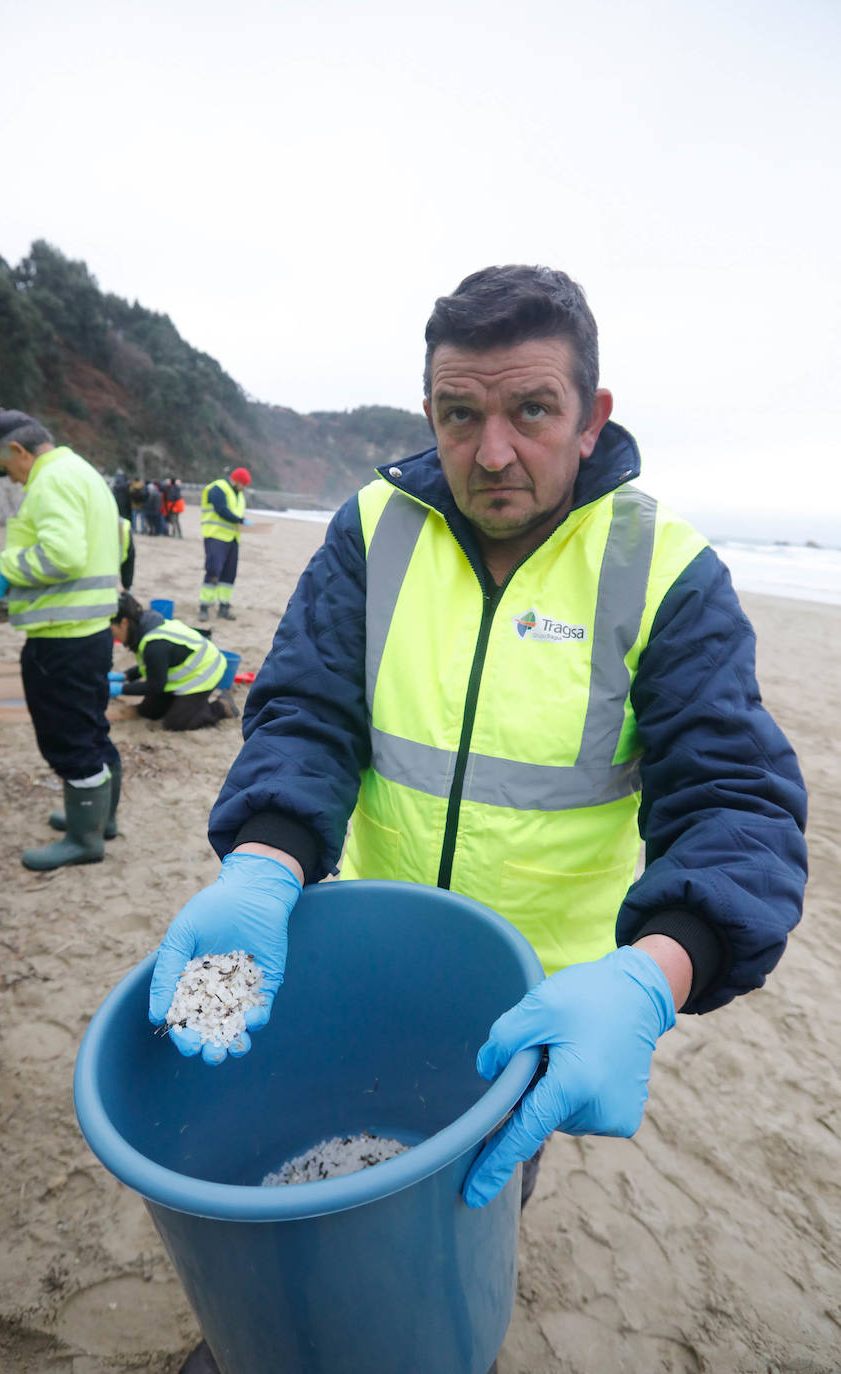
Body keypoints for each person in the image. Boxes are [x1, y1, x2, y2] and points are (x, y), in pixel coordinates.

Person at [148, 267, 807, 1372]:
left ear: (592, 419)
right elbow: (308, 712)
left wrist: (657, 972)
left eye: (531, 411)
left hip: (542, 1004)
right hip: (365, 955)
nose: (492, 451)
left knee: (458, 1220)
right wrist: (264, 862)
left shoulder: (665, 571)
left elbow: (737, 803)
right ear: (430, 415)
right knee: (320, 1184)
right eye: (462, 414)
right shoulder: (371, 531)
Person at [0, 409, 122, 869]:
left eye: (6, 469)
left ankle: (84, 841)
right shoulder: (84, 472)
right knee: (93, 728)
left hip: (62, 638)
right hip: (93, 631)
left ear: (17, 451)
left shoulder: (50, 480)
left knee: (70, 739)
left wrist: (7, 565)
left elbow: (63, 554)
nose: (13, 481)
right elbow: (119, 537)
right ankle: (102, 820)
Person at [109, 592, 235, 730]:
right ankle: (182, 702)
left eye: (112, 630)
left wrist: (120, 689)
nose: (113, 636)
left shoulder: (154, 644)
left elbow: (155, 686)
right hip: (185, 672)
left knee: (175, 723)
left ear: (124, 622)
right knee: (149, 711)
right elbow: (152, 665)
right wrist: (125, 676)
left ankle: (221, 706)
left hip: (205, 673)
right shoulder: (143, 625)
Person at [198, 465, 251, 620]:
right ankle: (204, 606)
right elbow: (221, 509)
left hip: (233, 538)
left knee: (229, 574)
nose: (244, 488)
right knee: (213, 570)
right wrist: (240, 520)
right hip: (215, 536)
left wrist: (241, 523)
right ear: (235, 481)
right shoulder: (217, 488)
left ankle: (224, 606)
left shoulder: (239, 495)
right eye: (243, 484)